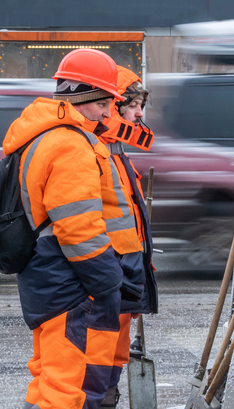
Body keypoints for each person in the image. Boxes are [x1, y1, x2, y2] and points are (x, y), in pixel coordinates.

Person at [3, 49, 138, 409]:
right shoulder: (70, 143)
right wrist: (108, 279)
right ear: (82, 96)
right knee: (70, 392)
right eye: (104, 103)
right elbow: (78, 228)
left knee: (50, 383)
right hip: (71, 287)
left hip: (48, 280)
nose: (109, 112)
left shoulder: (42, 136)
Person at [97, 66, 158, 407]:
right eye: (134, 105)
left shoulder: (117, 150)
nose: (140, 114)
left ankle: (107, 399)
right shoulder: (99, 150)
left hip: (122, 272)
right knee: (98, 361)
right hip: (109, 273)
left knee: (113, 359)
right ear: (114, 104)